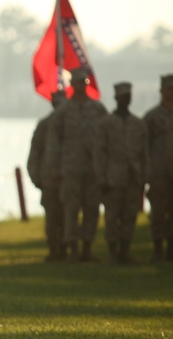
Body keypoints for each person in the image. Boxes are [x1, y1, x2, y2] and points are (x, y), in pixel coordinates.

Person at [45, 67, 108, 262]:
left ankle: (87, 248)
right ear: (72, 85)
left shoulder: (98, 109)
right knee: (71, 210)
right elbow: (54, 142)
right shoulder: (63, 111)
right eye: (78, 82)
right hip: (70, 170)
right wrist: (54, 168)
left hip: (93, 169)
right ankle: (72, 249)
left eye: (84, 82)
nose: (81, 86)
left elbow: (107, 140)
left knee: (91, 209)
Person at [94, 82, 149, 263]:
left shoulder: (138, 124)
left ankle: (125, 251)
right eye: (123, 96)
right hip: (113, 178)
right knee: (112, 216)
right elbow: (100, 153)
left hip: (132, 178)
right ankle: (113, 253)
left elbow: (144, 153)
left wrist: (144, 177)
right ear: (116, 98)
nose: (126, 99)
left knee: (129, 215)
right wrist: (101, 178)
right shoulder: (106, 124)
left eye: (128, 96)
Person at [27, 90, 67, 261]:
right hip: (49, 180)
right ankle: (53, 250)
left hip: (68, 180)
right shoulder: (44, 125)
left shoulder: (72, 125)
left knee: (68, 217)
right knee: (51, 219)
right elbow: (35, 153)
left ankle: (66, 249)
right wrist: (36, 177)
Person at [143, 73, 173, 262]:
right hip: (158, 173)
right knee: (158, 213)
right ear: (161, 90)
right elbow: (143, 147)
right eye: (168, 88)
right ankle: (157, 249)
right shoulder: (151, 117)